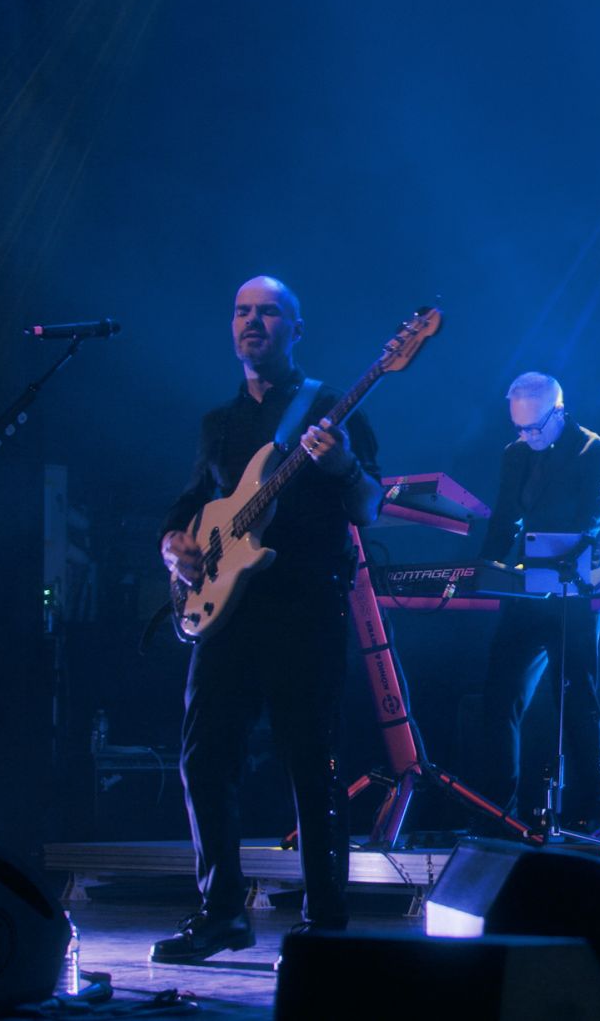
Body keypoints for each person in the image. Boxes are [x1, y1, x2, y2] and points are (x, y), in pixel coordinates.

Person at [152, 276, 382, 962]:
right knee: (204, 757)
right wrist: (174, 546)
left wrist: (343, 465)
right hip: (229, 612)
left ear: (295, 329)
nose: (252, 321)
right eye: (242, 311)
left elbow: (370, 505)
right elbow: (193, 502)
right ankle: (222, 912)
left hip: (304, 606)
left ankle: (325, 922)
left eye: (269, 312)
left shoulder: (333, 407)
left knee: (312, 763)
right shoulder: (218, 423)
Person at [478, 372, 600, 833]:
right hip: (524, 588)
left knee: (576, 700)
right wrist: (485, 570)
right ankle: (498, 811)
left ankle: (591, 811)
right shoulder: (515, 453)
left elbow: (592, 520)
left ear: (559, 412)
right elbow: (504, 518)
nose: (527, 437)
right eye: (519, 428)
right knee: (499, 698)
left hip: (575, 591)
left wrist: (557, 563)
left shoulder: (595, 450)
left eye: (534, 428)